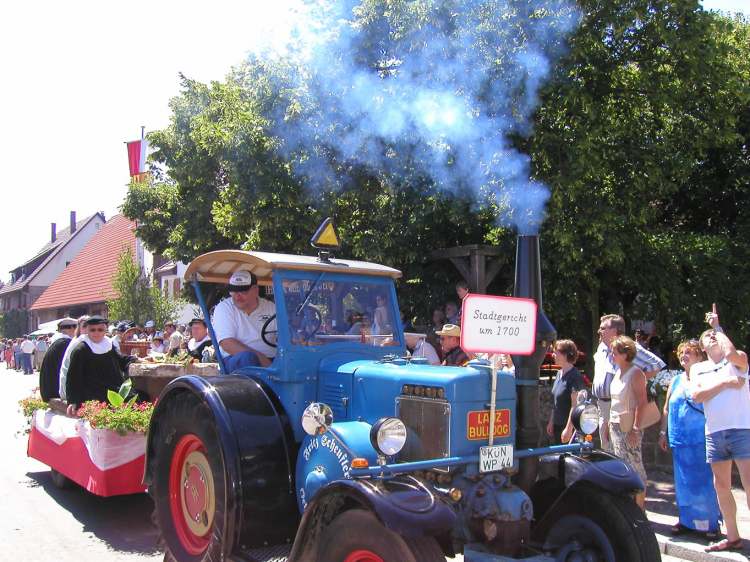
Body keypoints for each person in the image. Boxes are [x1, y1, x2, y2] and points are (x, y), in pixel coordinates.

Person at [691, 306, 750, 553]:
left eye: (715, 336)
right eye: (708, 337)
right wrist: (725, 383)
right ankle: (733, 537)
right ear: (702, 348)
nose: (712, 338)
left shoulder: (737, 360)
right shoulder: (698, 369)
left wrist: (717, 327)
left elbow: (732, 353)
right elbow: (697, 395)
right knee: (721, 486)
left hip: (741, 428)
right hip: (714, 431)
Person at [659, 339, 721, 540]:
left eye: (689, 352)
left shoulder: (705, 378)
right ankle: (686, 520)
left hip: (699, 438)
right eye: (682, 352)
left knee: (703, 482)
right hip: (679, 438)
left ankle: (710, 523)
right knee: (683, 482)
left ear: (699, 357)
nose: (683, 355)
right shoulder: (676, 380)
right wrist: (663, 432)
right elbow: (667, 408)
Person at [593, 314, 665, 451]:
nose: (599, 331)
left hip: (622, 407)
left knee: (626, 452)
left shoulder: (627, 347)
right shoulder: (601, 348)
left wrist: (632, 381)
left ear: (614, 330)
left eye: (603, 328)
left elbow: (656, 365)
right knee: (607, 450)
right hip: (603, 406)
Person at [65, 316, 139, 415]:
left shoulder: (108, 344)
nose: (96, 333)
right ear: (87, 331)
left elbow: (121, 359)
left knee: (137, 399)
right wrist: (73, 401)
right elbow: (73, 377)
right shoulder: (81, 349)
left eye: (100, 330)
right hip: (92, 391)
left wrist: (136, 359)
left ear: (105, 331)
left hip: (112, 388)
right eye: (93, 330)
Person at [608, 335, 649, 510]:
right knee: (621, 467)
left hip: (629, 425)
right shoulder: (617, 372)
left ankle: (640, 509)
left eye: (614, 352)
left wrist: (635, 428)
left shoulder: (636, 373)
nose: (612, 355)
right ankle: (628, 508)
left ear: (625, 354)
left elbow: (642, 402)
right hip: (615, 424)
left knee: (635, 467)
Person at [212, 269, 276, 370]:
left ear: (255, 290)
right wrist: (262, 359)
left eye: (243, 291)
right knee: (247, 358)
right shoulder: (224, 308)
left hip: (272, 360)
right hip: (237, 360)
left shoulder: (271, 308)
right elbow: (227, 344)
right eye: (233, 291)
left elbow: (285, 335)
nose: (237, 296)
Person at [547, 339, 585, 445]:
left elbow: (575, 405)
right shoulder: (559, 374)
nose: (553, 355)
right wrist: (551, 421)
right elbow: (555, 401)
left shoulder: (575, 376)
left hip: (568, 427)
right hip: (557, 425)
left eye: (556, 353)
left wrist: (568, 429)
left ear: (565, 355)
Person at [39, 318, 78, 401]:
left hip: (48, 390)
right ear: (72, 328)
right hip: (56, 392)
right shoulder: (66, 343)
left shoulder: (57, 341)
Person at [58, 315, 89, 400]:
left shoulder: (82, 340)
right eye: (84, 326)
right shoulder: (79, 341)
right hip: (70, 387)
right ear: (79, 328)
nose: (87, 329)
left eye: (90, 326)